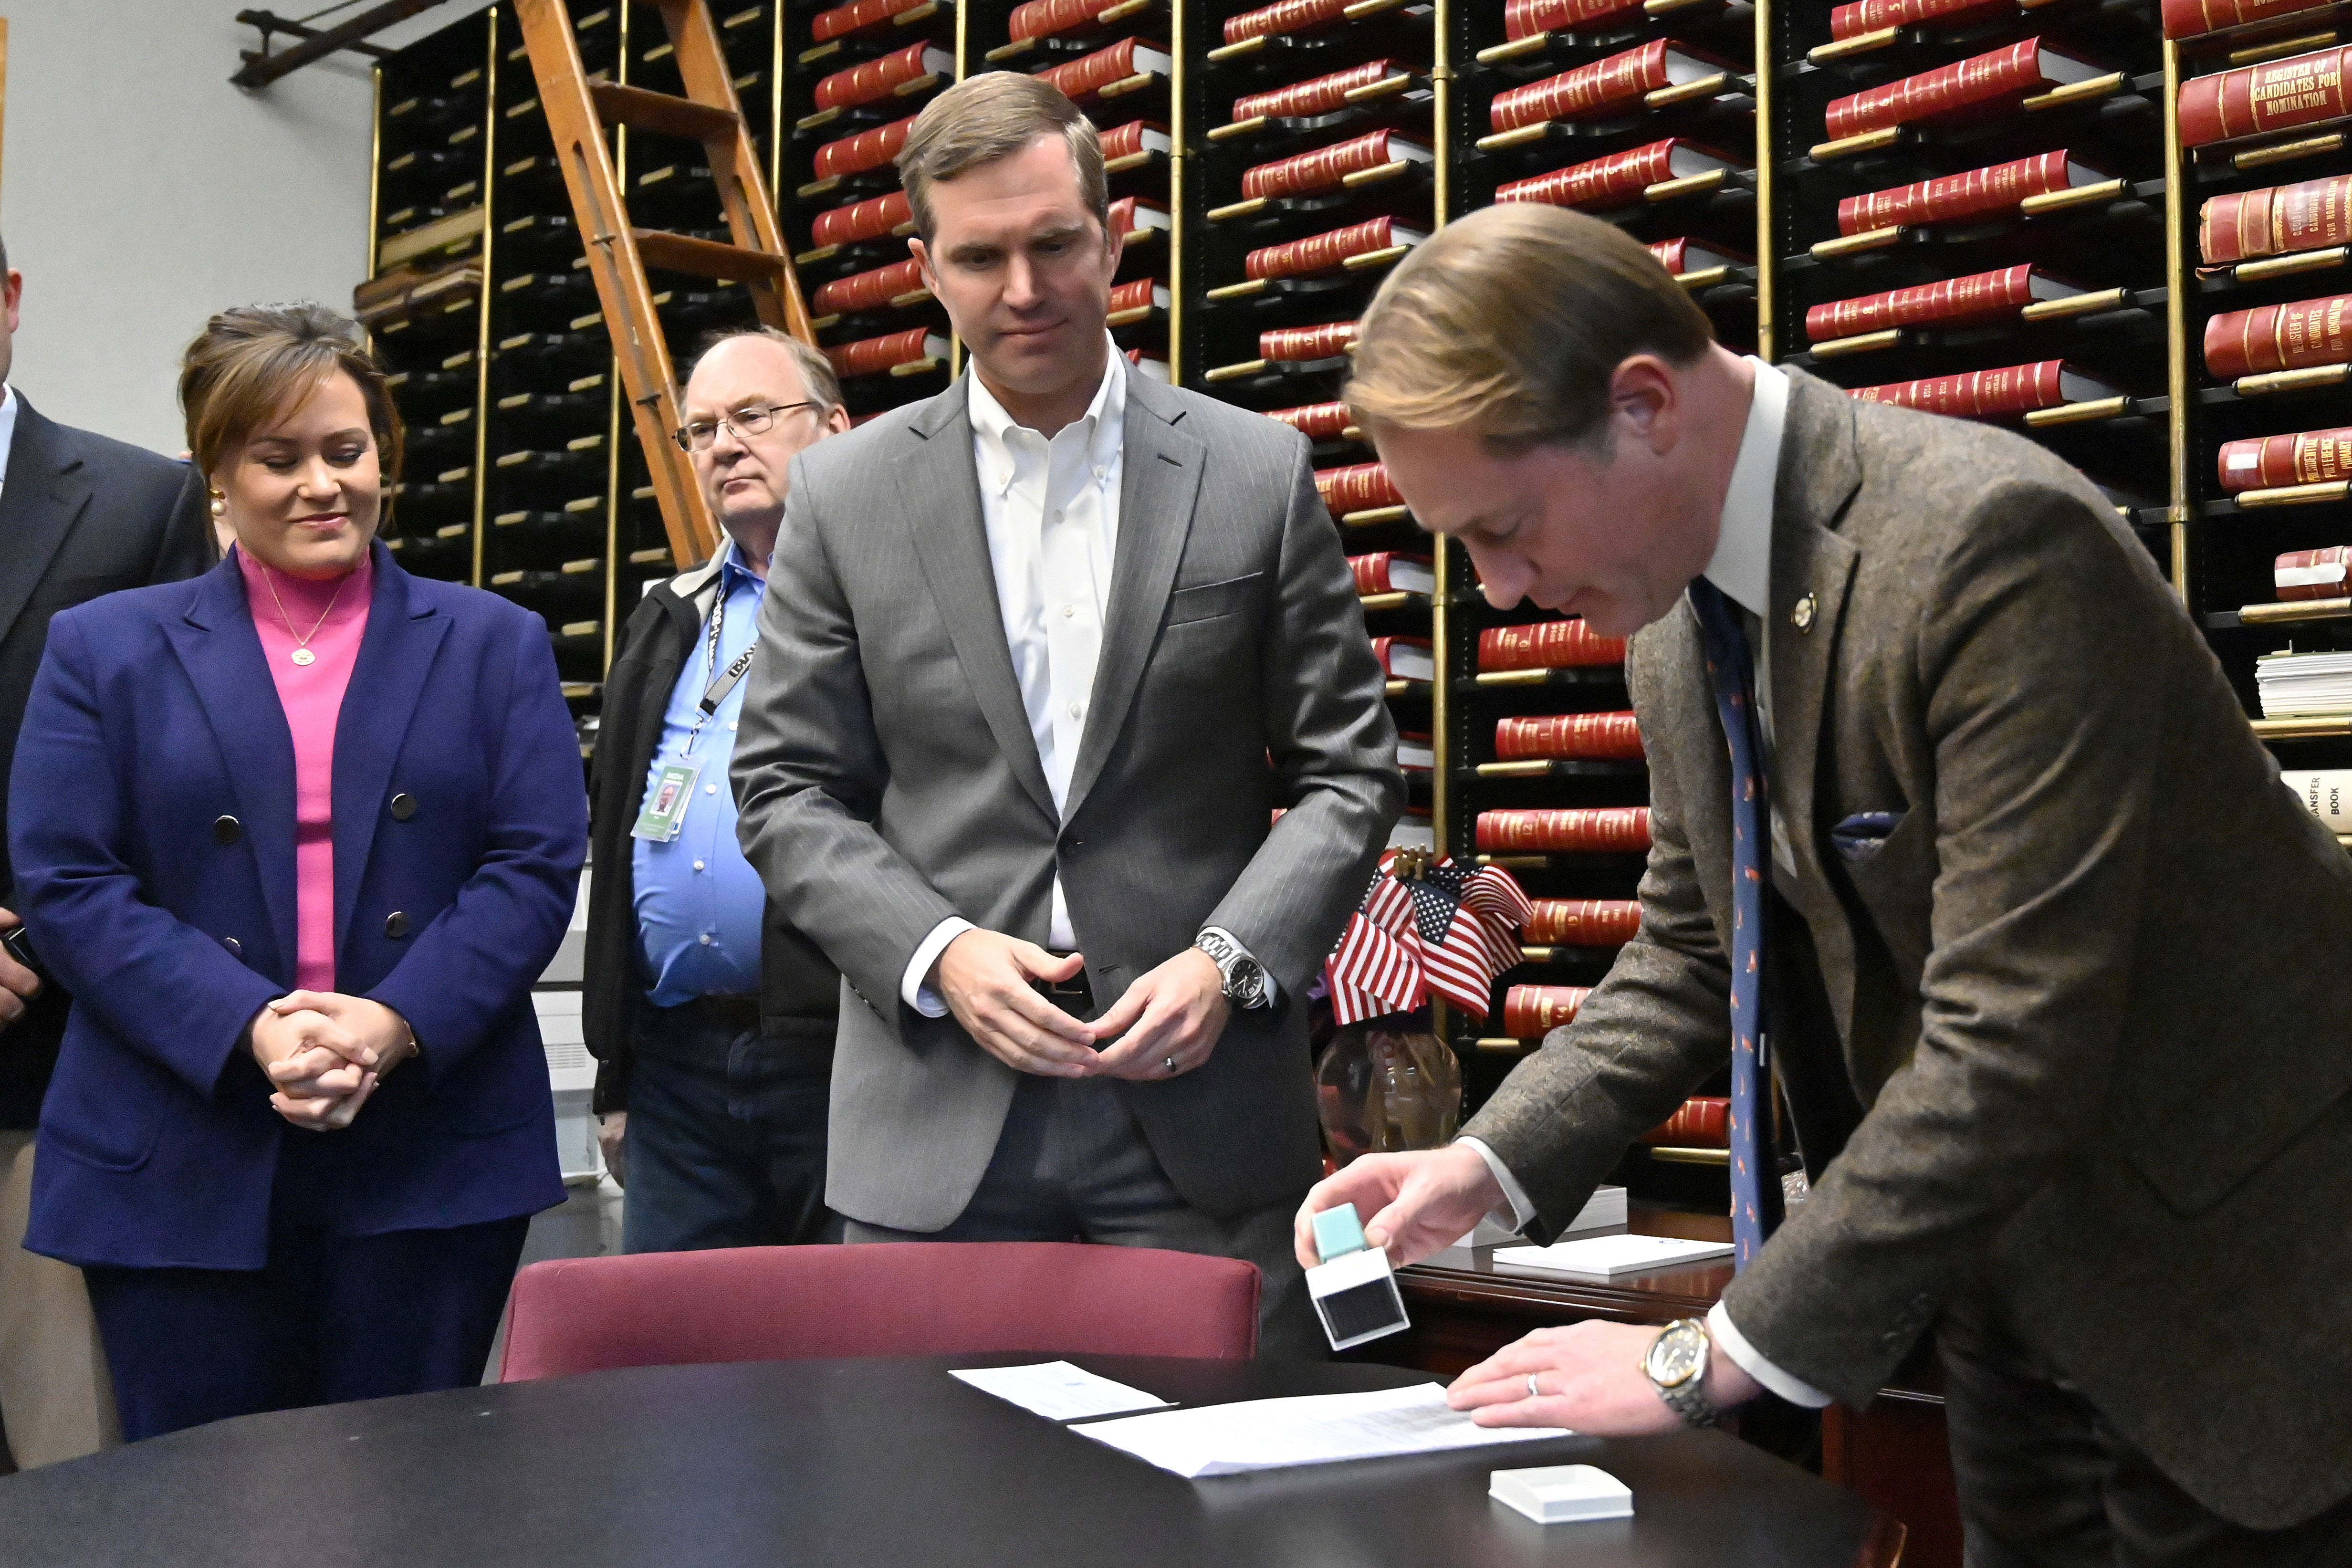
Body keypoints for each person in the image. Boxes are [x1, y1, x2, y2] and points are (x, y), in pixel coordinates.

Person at [1296, 203, 2352, 1564]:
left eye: (1503, 527)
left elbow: (2010, 1036)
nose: (1497, 593)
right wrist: (1487, 1164)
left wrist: (1703, 1354)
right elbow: (1689, 949)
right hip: (2001, 1289)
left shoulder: (1991, 546)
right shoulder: (1676, 623)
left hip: (2236, 1296)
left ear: (1643, 404)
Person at [730, 73, 1401, 1355]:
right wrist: (936, 949)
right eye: (980, 256)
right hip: (935, 1116)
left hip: (1199, 1110)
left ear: (1112, 234)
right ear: (925, 266)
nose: (1024, 289)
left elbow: (1348, 770)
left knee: (1233, 1514)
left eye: (1053, 244)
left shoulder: (1250, 470)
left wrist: (1232, 958)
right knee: (926, 1511)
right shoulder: (845, 494)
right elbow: (784, 786)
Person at [8, 302, 585, 1442]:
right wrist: (253, 1026)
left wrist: (389, 1023)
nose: (322, 483)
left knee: (408, 1498)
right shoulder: (104, 647)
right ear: (214, 471)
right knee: (201, 1505)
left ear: (385, 454)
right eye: (279, 458)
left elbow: (531, 864)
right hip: (177, 1147)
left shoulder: (493, 640)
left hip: (429, 1147)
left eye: (346, 450)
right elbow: (69, 879)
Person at [0, 234, 213, 1470]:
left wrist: (30, 934)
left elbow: (178, 780)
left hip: (52, 1077)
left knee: (74, 1476)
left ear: (14, 299)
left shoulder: (141, 504)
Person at [584, 326, 850, 1250]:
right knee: (676, 1379)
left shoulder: (893, 611)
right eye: (701, 430)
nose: (724, 444)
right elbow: (618, 831)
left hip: (838, 1059)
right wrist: (615, 1071)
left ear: (835, 430)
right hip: (675, 1067)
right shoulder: (669, 618)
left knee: (847, 1371)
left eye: (752, 416)